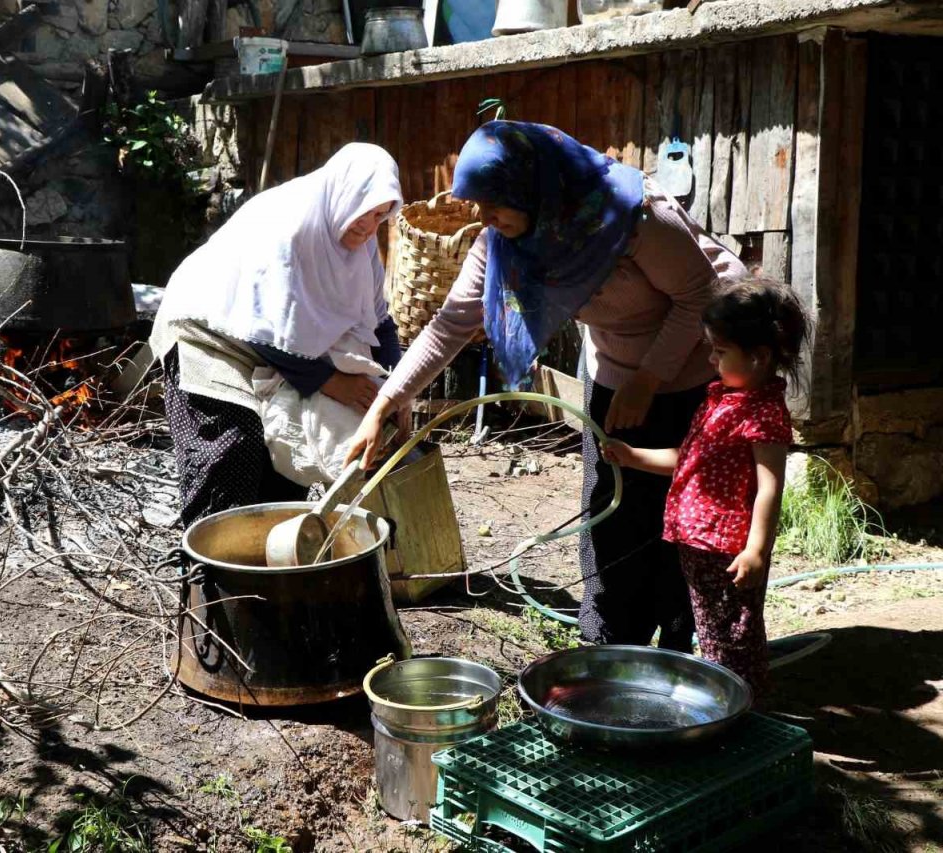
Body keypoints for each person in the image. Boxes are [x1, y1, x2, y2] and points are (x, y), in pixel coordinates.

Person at [347, 121, 746, 651]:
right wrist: (385, 402)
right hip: (615, 362)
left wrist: (650, 379)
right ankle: (608, 649)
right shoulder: (504, 245)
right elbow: (448, 327)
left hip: (697, 358)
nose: (483, 219)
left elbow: (702, 296)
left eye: (493, 205)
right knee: (610, 509)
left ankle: (678, 649)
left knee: (681, 513)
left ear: (531, 189)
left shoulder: (635, 217)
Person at [150, 143, 405, 525]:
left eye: (380, 215)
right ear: (344, 193)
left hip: (279, 345)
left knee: (287, 453)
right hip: (208, 331)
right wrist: (330, 381)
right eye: (364, 210)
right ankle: (212, 557)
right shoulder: (292, 226)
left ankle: (273, 550)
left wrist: (397, 389)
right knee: (233, 443)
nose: (369, 225)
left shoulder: (361, 247)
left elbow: (380, 322)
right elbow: (258, 323)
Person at [602, 280, 810, 698]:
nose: (711, 359)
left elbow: (770, 488)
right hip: (698, 541)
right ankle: (725, 702)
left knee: (733, 638)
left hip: (726, 549)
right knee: (714, 631)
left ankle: (744, 709)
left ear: (759, 356)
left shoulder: (763, 413)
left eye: (720, 351)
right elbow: (690, 458)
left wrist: (756, 551)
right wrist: (632, 456)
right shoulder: (724, 399)